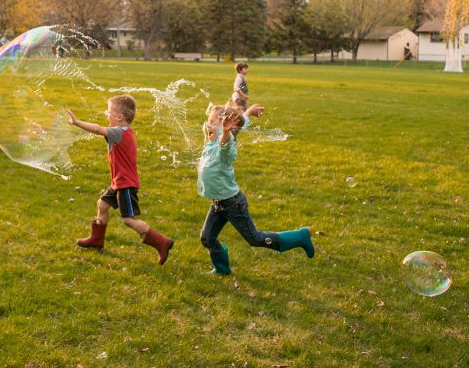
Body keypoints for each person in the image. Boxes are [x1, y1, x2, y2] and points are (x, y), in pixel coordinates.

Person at [197, 101, 314, 275]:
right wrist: (249, 112)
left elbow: (225, 145)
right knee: (207, 238)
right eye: (209, 120)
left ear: (226, 128)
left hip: (232, 204)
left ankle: (300, 236)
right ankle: (222, 270)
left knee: (255, 238)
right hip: (218, 202)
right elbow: (238, 124)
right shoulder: (211, 142)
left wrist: (225, 134)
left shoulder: (226, 148)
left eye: (214, 122)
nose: (208, 125)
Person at [68, 94, 174, 264]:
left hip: (125, 184)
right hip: (118, 181)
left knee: (128, 220)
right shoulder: (123, 132)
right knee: (102, 205)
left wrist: (77, 122)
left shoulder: (118, 132)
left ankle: (162, 242)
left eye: (108, 111)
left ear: (119, 117)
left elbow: (97, 129)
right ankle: (96, 240)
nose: (106, 114)